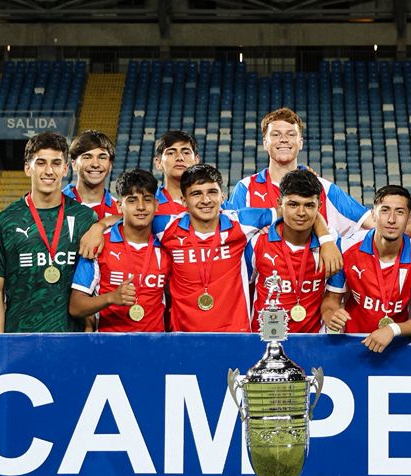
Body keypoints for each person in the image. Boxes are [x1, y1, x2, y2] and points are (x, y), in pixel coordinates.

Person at [0, 131, 104, 333]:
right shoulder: (5, 221)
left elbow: (90, 285)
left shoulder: (85, 219)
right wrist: (0, 343)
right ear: (27, 168)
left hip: (70, 339)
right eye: (40, 163)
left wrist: (102, 225)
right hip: (19, 338)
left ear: (65, 169)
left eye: (56, 163)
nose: (49, 170)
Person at [158, 164, 278, 333]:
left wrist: (324, 239)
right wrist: (105, 223)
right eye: (196, 194)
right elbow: (130, 219)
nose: (206, 200)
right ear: (184, 201)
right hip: (183, 335)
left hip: (235, 334)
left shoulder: (241, 222)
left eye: (212, 192)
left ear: (223, 196)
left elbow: (291, 211)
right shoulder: (167, 227)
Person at [322, 185, 411, 353]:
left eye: (399, 212)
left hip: (399, 348)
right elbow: (331, 300)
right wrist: (330, 314)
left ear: (409, 218)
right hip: (353, 345)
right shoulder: (347, 247)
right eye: (385, 210)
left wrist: (392, 330)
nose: (391, 219)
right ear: (374, 215)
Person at [227, 107, 370, 236]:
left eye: (291, 134)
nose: (283, 139)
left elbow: (371, 224)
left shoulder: (322, 187)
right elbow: (226, 231)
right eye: (276, 134)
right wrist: (254, 231)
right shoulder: (245, 188)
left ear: (300, 142)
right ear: (265, 143)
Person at [71, 169, 169, 332]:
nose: (141, 207)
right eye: (132, 200)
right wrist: (110, 298)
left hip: (154, 347)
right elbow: (75, 306)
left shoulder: (167, 245)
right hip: (109, 345)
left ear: (156, 205)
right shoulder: (99, 244)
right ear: (119, 206)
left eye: (147, 199)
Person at [248, 169, 334, 334]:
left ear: (319, 206)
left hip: (310, 343)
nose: (301, 213)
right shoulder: (257, 243)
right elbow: (244, 290)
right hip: (263, 340)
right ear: (280, 203)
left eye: (309, 205)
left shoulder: (331, 245)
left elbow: (334, 297)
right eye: (293, 204)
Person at [64, 130, 120, 221]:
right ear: (74, 164)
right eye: (87, 157)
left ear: (110, 165)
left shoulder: (120, 211)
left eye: (102, 157)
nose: (95, 164)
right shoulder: (53, 205)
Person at [152, 129, 198, 218]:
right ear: (158, 163)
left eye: (186, 152)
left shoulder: (212, 204)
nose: (179, 158)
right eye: (171, 153)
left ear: (196, 160)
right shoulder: (147, 206)